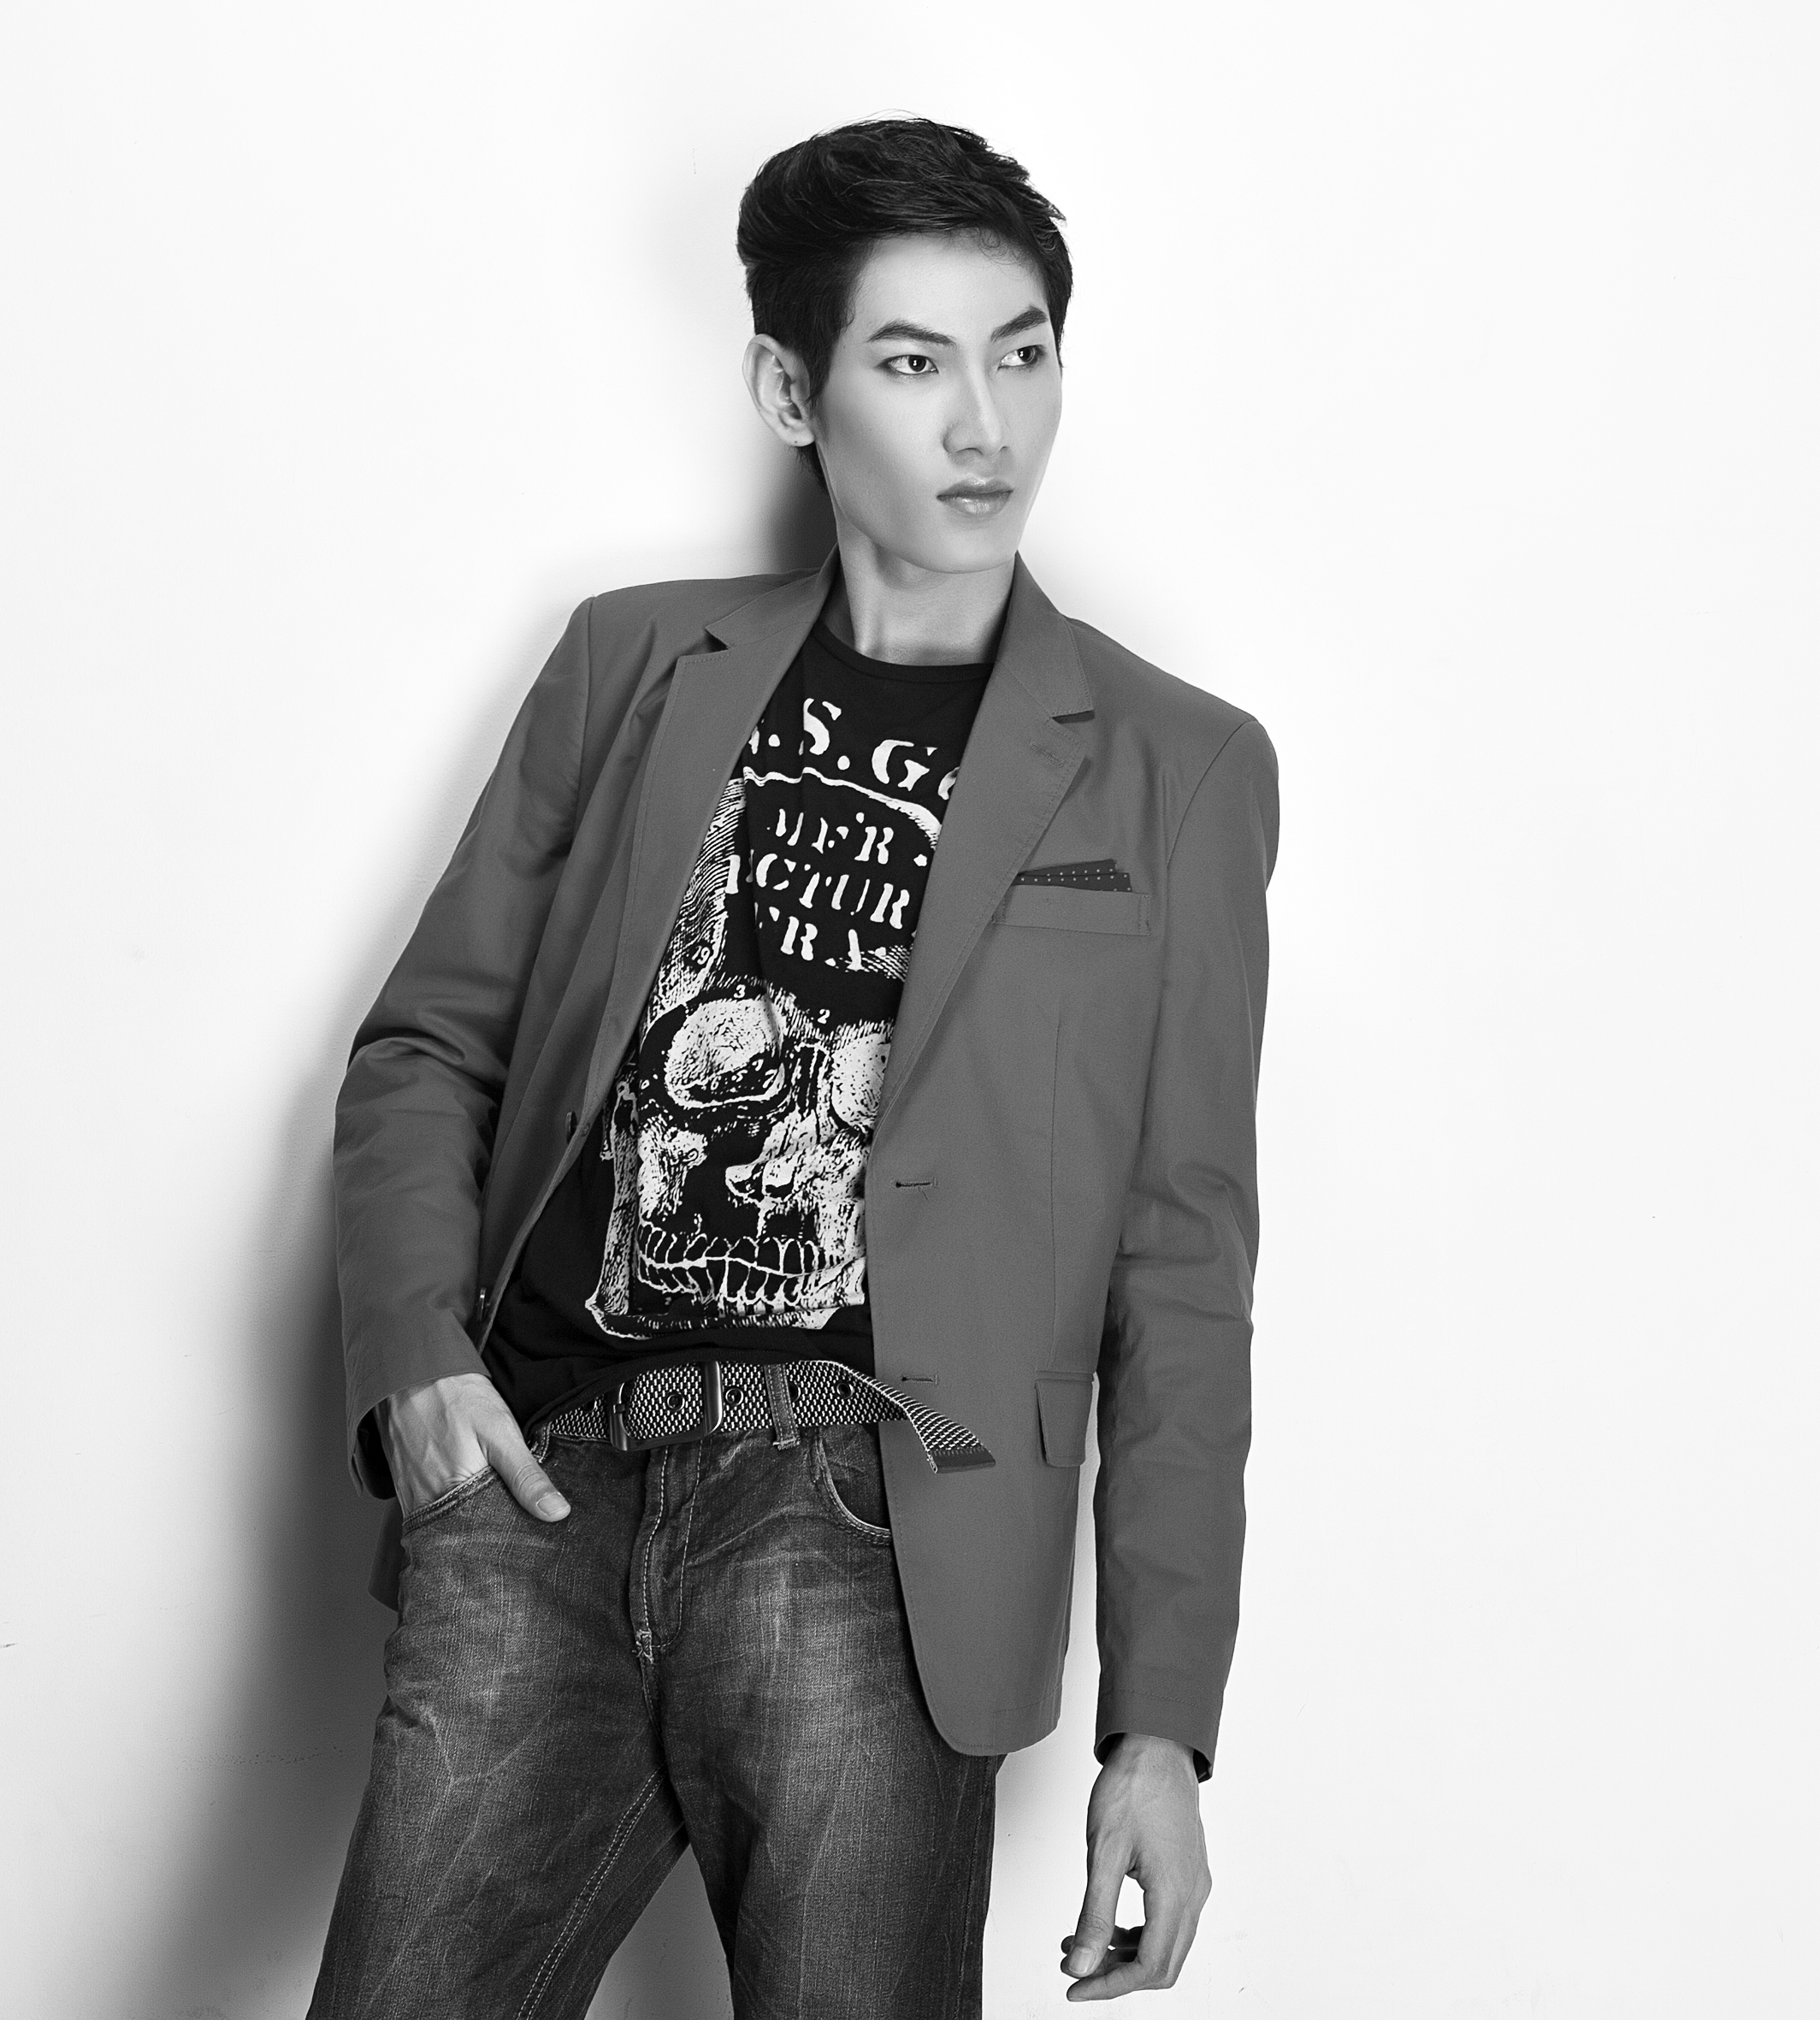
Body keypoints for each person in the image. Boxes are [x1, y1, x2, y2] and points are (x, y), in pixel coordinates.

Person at [308, 115, 1275, 2018]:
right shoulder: (630, 663)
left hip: (876, 1517)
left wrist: (1159, 1728)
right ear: (789, 390)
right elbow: (430, 1043)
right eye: (913, 363)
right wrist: (414, 1356)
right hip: (546, 1481)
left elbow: (1183, 1263)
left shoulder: (1177, 766)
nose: (984, 424)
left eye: (1022, 353)